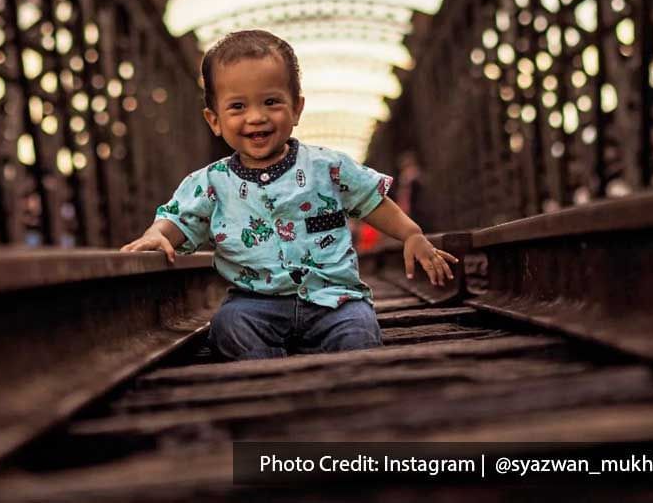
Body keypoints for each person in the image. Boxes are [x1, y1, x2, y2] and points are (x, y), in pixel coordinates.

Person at [121, 29, 458, 360]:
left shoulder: (328, 166)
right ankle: (268, 365)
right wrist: (156, 234)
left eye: (271, 102)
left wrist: (411, 234)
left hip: (334, 299)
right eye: (237, 106)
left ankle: (340, 362)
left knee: (358, 328)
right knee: (229, 325)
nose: (256, 117)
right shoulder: (210, 182)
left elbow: (370, 200)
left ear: (296, 108)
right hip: (255, 303)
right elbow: (180, 218)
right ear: (214, 120)